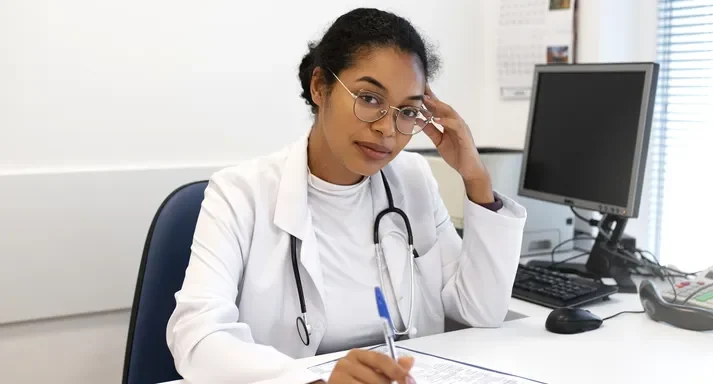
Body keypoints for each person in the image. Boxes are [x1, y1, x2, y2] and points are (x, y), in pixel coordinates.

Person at [166, 7, 527, 384]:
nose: (387, 129)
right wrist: (312, 381)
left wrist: (476, 178)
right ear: (320, 86)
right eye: (369, 98)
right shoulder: (240, 192)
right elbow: (197, 335)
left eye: (407, 111)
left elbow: (481, 311)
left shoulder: (414, 179)